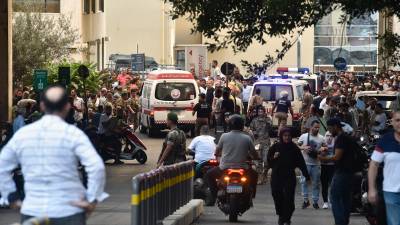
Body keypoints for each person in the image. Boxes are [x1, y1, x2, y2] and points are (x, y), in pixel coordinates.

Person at [0, 85, 107, 225]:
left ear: (42, 106)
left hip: (33, 210)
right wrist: (92, 199)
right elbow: (97, 167)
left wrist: (11, 197)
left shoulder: (23, 135)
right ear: (67, 107)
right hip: (70, 211)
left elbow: (2, 165)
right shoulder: (74, 135)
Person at [206, 115, 259, 203]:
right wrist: (256, 158)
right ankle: (252, 195)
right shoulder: (247, 138)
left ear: (230, 125)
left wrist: (218, 154)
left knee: (209, 174)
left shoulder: (224, 136)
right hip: (243, 168)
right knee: (255, 174)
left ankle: (214, 195)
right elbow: (254, 153)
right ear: (242, 126)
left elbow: (217, 151)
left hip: (224, 168)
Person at [267, 127, 310, 225]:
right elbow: (269, 162)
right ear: (281, 136)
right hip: (277, 176)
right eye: (285, 136)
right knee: (276, 195)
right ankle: (281, 215)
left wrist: (307, 176)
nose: (287, 138)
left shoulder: (294, 148)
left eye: (289, 136)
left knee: (288, 198)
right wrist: (274, 157)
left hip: (289, 176)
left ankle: (286, 217)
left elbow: (301, 163)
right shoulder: (275, 147)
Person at [319, 118, 357, 225]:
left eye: (330, 128)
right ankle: (344, 221)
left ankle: (340, 222)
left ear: (336, 126)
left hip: (342, 172)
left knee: (334, 198)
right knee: (345, 199)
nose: (329, 131)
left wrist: (322, 159)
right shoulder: (347, 138)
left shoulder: (341, 138)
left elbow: (336, 157)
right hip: (349, 173)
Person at [368, 111, 400, 225]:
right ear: (392, 122)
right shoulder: (385, 140)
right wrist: (371, 188)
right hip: (391, 192)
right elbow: (374, 164)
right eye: (397, 120)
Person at [298, 120, 324, 209]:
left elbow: (325, 148)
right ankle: (305, 200)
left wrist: (322, 150)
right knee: (304, 182)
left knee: (316, 183)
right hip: (305, 163)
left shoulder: (321, 138)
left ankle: (315, 201)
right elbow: (297, 146)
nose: (317, 129)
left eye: (318, 128)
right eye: (315, 127)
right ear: (311, 127)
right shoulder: (304, 136)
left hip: (316, 164)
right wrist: (303, 147)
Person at [250, 106, 272, 184]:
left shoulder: (267, 119)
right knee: (258, 161)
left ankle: (265, 173)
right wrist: (254, 132)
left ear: (264, 112)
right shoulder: (254, 120)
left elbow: (270, 127)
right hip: (257, 142)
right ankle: (260, 177)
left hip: (266, 142)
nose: (260, 113)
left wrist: (266, 120)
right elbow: (251, 128)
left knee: (266, 160)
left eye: (261, 111)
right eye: (259, 111)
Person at [320, 131, 335, 209]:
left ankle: (332, 200)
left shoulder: (336, 143)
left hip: (333, 166)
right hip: (324, 166)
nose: (329, 137)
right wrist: (322, 151)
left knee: (332, 185)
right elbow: (318, 155)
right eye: (327, 136)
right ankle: (325, 202)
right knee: (324, 185)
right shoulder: (322, 143)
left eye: (331, 136)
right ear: (325, 136)